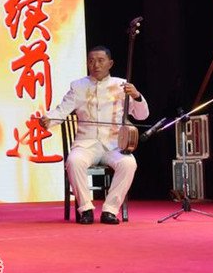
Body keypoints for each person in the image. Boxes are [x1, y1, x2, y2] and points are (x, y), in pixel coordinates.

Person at [40, 46, 149, 225]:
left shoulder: (122, 85)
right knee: (74, 161)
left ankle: (110, 210)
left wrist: (137, 96)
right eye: (91, 61)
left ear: (110, 63)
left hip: (114, 144)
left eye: (100, 61)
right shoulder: (78, 86)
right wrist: (49, 119)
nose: (96, 65)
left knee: (129, 163)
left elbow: (142, 115)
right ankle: (86, 209)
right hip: (86, 144)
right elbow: (62, 111)